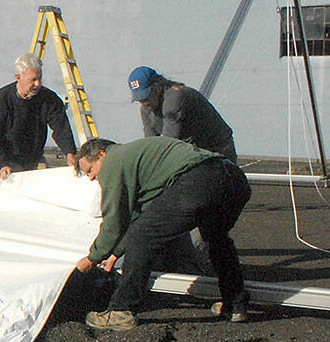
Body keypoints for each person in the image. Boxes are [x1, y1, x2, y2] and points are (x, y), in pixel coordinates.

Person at [74, 136, 251, 330]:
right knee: (217, 240)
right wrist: (116, 254)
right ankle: (235, 304)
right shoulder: (145, 162)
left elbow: (115, 220)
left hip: (199, 180)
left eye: (90, 170)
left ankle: (121, 310)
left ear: (102, 154)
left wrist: (92, 258)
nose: (90, 177)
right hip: (233, 179)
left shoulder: (114, 161)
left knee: (143, 235)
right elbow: (141, 215)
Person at [0, 53, 78, 178]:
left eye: (39, 78)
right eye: (33, 80)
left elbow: (61, 127)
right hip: (6, 160)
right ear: (18, 77)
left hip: (34, 157)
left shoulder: (49, 99)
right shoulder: (0, 100)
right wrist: (1, 164)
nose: (37, 84)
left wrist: (70, 153)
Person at [129, 66, 236, 161]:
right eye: (140, 99)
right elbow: (150, 144)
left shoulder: (175, 96)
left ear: (158, 87)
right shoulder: (146, 110)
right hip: (194, 152)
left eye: (147, 96)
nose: (144, 102)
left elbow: (169, 142)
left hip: (217, 150)